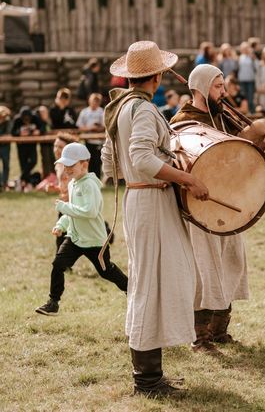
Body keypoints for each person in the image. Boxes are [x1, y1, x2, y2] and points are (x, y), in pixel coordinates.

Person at [101, 40, 209, 398]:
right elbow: (143, 159)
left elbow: (109, 163)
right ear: (158, 76)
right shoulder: (143, 110)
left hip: (141, 197)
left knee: (152, 282)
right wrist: (187, 178)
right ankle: (146, 381)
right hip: (149, 198)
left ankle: (151, 373)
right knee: (150, 285)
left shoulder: (120, 107)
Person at [170, 64, 249, 352]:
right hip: (199, 204)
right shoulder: (182, 121)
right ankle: (199, 336)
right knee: (205, 269)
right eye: (218, 86)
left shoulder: (222, 117)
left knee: (232, 261)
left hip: (229, 202)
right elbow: (180, 159)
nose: (224, 91)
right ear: (202, 88)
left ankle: (219, 330)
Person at [35, 142, 128, 316]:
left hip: (94, 241)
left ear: (84, 165)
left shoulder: (89, 185)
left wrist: (64, 208)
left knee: (106, 271)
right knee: (58, 264)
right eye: (65, 165)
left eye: (71, 165)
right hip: (75, 238)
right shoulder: (73, 184)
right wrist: (61, 225)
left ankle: (130, 289)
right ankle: (53, 302)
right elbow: (72, 210)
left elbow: (90, 211)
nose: (67, 169)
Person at [12, 106, 44, 191]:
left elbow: (43, 127)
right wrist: (20, 133)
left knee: (34, 161)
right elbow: (13, 132)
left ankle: (20, 179)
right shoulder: (17, 120)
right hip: (21, 146)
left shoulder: (35, 118)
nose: (26, 120)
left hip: (32, 145)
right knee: (23, 165)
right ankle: (26, 185)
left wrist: (39, 131)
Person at [76, 93, 105, 178]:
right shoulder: (84, 112)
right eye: (93, 101)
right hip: (88, 140)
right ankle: (89, 179)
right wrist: (89, 128)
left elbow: (104, 126)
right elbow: (80, 126)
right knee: (89, 161)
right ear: (89, 101)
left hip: (99, 141)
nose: (95, 103)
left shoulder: (101, 111)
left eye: (97, 102)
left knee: (97, 162)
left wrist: (97, 128)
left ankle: (97, 179)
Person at [238, 41, 257, 112]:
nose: (245, 50)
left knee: (250, 97)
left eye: (246, 48)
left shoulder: (252, 57)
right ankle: (246, 112)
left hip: (250, 80)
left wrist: (254, 59)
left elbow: (257, 67)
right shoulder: (240, 57)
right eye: (244, 48)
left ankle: (252, 112)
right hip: (242, 80)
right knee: (244, 97)